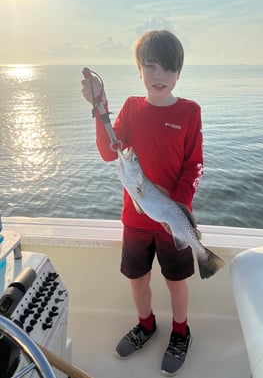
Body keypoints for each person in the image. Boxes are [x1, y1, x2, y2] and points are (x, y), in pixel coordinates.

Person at [81, 30, 203, 376]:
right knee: (137, 279)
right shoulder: (133, 108)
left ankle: (181, 332)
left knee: (176, 282)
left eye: (166, 68)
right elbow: (110, 151)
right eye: (150, 66)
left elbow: (194, 165)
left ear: (178, 72)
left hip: (172, 219)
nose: (158, 75)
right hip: (135, 221)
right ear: (139, 70)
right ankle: (146, 326)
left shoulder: (190, 112)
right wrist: (99, 107)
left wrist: (176, 207)